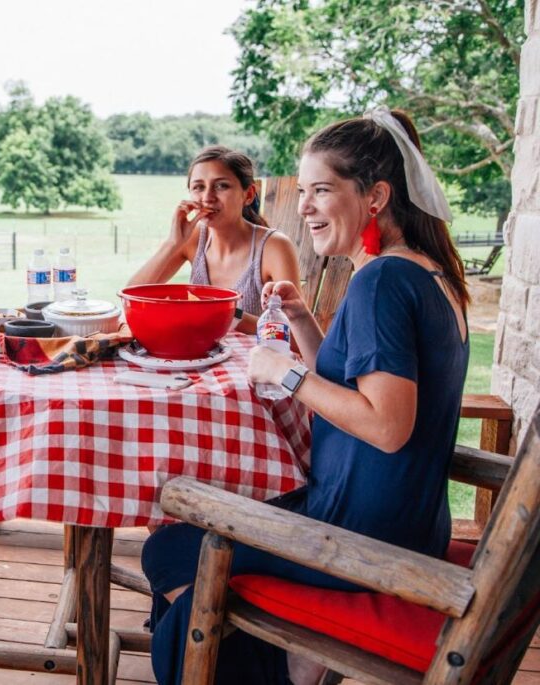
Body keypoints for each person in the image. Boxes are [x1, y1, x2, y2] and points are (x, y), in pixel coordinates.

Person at [141, 108, 470, 684]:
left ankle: (286, 665)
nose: (307, 205)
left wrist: (283, 375)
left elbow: (387, 426)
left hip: (359, 536)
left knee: (166, 552)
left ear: (376, 197)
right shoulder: (431, 274)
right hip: (408, 524)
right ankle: (283, 658)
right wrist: (300, 322)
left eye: (322, 189)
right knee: (191, 571)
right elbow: (359, 391)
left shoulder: (381, 281)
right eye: (306, 189)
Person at [127, 146, 300, 334]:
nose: (208, 198)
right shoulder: (193, 239)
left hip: (253, 359)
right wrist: (173, 243)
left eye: (221, 186)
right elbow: (131, 297)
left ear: (248, 194)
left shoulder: (274, 247)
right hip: (200, 353)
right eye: (199, 187)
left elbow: (296, 336)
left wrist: (228, 313)